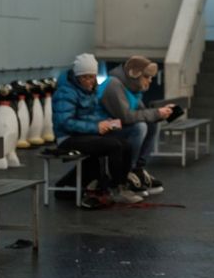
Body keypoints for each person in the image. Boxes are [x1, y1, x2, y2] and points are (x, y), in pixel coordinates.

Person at [51, 53, 143, 207]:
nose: (89, 81)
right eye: (85, 77)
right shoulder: (65, 92)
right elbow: (65, 122)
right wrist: (96, 126)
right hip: (67, 138)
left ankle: (121, 184)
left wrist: (104, 122)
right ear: (77, 76)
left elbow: (91, 114)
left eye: (92, 77)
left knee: (125, 145)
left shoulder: (91, 90)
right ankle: (116, 189)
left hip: (84, 134)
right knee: (113, 146)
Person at [99, 55, 172, 195]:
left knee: (151, 124)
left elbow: (142, 113)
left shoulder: (132, 88)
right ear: (134, 74)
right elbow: (126, 117)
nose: (150, 81)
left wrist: (162, 114)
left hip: (116, 123)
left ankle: (138, 169)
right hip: (104, 126)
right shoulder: (113, 84)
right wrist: (156, 113)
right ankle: (128, 171)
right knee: (140, 127)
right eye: (146, 77)